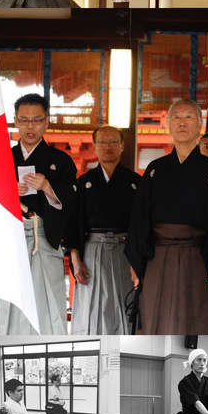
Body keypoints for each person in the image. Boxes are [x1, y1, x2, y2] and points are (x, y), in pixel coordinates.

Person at [125, 99, 208, 334]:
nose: (182, 122)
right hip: (158, 255)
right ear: (168, 125)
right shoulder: (154, 168)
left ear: (200, 125)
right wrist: (135, 260)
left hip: (198, 255)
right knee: (153, 311)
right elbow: (139, 217)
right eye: (177, 117)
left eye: (189, 116)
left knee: (200, 313)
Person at [0, 93, 77, 335]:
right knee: (9, 297)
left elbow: (71, 199)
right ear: (15, 121)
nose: (30, 126)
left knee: (46, 298)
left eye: (36, 120)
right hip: (11, 237)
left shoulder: (61, 160)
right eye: (24, 120)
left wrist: (47, 186)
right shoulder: (3, 158)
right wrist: (6, 191)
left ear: (46, 121)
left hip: (43, 236)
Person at [67, 126, 141, 335]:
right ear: (95, 147)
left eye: (113, 142)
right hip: (92, 250)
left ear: (122, 146)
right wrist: (75, 258)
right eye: (102, 142)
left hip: (125, 251)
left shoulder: (136, 183)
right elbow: (73, 223)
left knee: (125, 302)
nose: (108, 146)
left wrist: (138, 262)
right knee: (91, 305)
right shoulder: (84, 183)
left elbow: (141, 225)